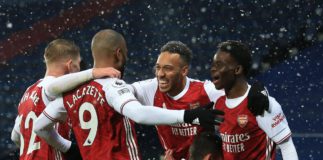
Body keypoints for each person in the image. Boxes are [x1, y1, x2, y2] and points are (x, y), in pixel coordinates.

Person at [33, 29, 224, 160]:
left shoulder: (72, 93)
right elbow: (139, 114)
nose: (160, 74)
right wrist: (189, 115)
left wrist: (69, 148)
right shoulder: (113, 87)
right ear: (118, 54)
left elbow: (40, 126)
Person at [130, 41, 269, 160]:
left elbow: (242, 90)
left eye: (168, 68)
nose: (160, 74)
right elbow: (122, 93)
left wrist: (259, 89)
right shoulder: (150, 89)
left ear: (184, 71)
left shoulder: (205, 91)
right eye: (158, 67)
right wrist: (109, 77)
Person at [10, 39, 121, 160]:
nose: (79, 69)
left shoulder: (27, 93)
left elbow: (15, 137)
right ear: (70, 65)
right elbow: (52, 87)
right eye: (78, 64)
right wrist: (93, 73)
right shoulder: (51, 88)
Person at [211, 40, 298, 159]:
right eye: (213, 64)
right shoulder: (219, 102)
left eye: (219, 65)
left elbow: (287, 147)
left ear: (237, 70)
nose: (213, 69)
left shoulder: (261, 103)